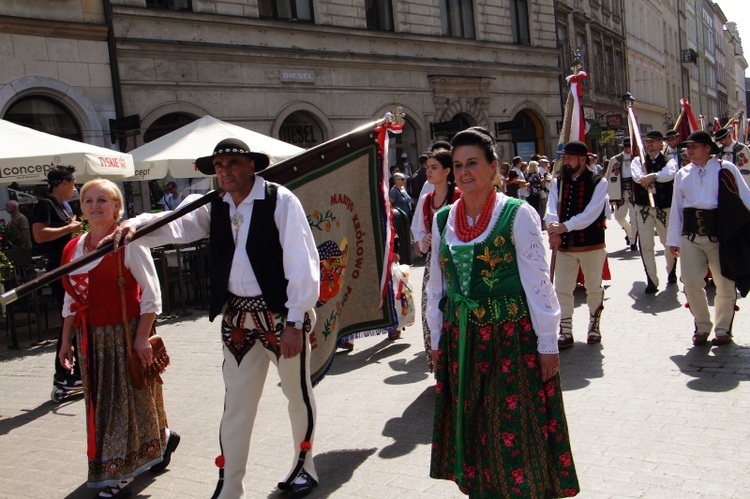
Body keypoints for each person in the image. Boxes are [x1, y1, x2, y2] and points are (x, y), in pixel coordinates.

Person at [111, 138, 320, 499]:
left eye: (233, 163)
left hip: (281, 317)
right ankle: (230, 485)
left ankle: (304, 467)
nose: (225, 171)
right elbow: (176, 224)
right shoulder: (213, 204)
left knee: (297, 395)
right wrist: (137, 226)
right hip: (237, 320)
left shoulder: (279, 200)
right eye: (219, 165)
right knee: (236, 404)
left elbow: (303, 261)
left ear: (251, 165)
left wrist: (295, 320)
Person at [427, 127, 579, 497]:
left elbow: (538, 283)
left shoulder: (517, 213)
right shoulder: (444, 219)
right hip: (463, 339)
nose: (464, 172)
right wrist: (436, 338)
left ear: (493, 167)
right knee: (476, 429)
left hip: (510, 340)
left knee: (511, 428)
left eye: (473, 163)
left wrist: (547, 343)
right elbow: (437, 287)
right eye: (458, 165)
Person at [58, 179, 179, 498]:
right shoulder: (73, 246)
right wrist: (65, 341)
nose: (95, 205)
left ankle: (119, 473)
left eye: (103, 200)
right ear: (80, 207)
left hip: (125, 332)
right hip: (90, 339)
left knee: (123, 402)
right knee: (103, 405)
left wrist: (141, 338)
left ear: (117, 208)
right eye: (88, 200)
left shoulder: (127, 241)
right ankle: (163, 437)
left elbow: (152, 294)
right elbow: (71, 299)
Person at [667, 131, 750, 347]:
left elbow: (745, 197)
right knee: (691, 282)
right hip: (691, 235)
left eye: (694, 146)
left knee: (724, 284)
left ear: (707, 148)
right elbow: (676, 208)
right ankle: (702, 325)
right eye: (688, 147)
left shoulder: (726, 168)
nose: (689, 150)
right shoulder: (682, 174)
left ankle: (722, 329)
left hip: (721, 236)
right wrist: (673, 240)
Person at [545, 141, 609, 348]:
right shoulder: (558, 181)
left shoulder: (598, 182)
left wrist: (565, 226)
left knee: (593, 287)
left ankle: (594, 325)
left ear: (583, 159)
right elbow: (551, 208)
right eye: (565, 157)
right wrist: (553, 227)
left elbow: (591, 213)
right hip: (565, 246)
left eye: (570, 157)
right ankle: (565, 330)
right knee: (562, 288)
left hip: (592, 244)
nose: (566, 161)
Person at [32, 165, 83, 391]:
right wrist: (69, 227)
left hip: (70, 267)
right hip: (59, 269)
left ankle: (75, 372)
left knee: (75, 319)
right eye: (73, 183)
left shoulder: (63, 206)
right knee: (68, 320)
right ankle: (62, 375)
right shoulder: (45, 204)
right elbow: (40, 235)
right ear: (64, 182)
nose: (75, 188)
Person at [410, 148, 460, 372]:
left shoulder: (458, 196)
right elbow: (418, 235)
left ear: (447, 170)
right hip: (432, 264)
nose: (428, 171)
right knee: (432, 309)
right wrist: (425, 239)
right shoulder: (426, 200)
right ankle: (438, 364)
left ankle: (458, 362)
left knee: (454, 310)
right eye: (427, 167)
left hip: (457, 264)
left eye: (434, 167)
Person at [630, 130, 678, 293]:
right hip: (643, 206)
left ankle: (671, 270)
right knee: (646, 243)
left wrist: (653, 176)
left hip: (663, 207)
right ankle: (651, 279)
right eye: (647, 141)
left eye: (652, 141)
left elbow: (670, 174)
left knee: (667, 242)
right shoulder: (638, 160)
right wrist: (644, 178)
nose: (649, 144)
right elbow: (636, 175)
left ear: (660, 143)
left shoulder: (668, 161)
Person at [605, 138, 637, 250]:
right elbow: (609, 177)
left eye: (630, 146)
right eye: (627, 146)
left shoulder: (637, 158)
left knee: (634, 217)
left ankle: (633, 241)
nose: (629, 149)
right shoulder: (616, 159)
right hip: (620, 191)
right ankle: (629, 232)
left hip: (633, 192)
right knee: (619, 217)